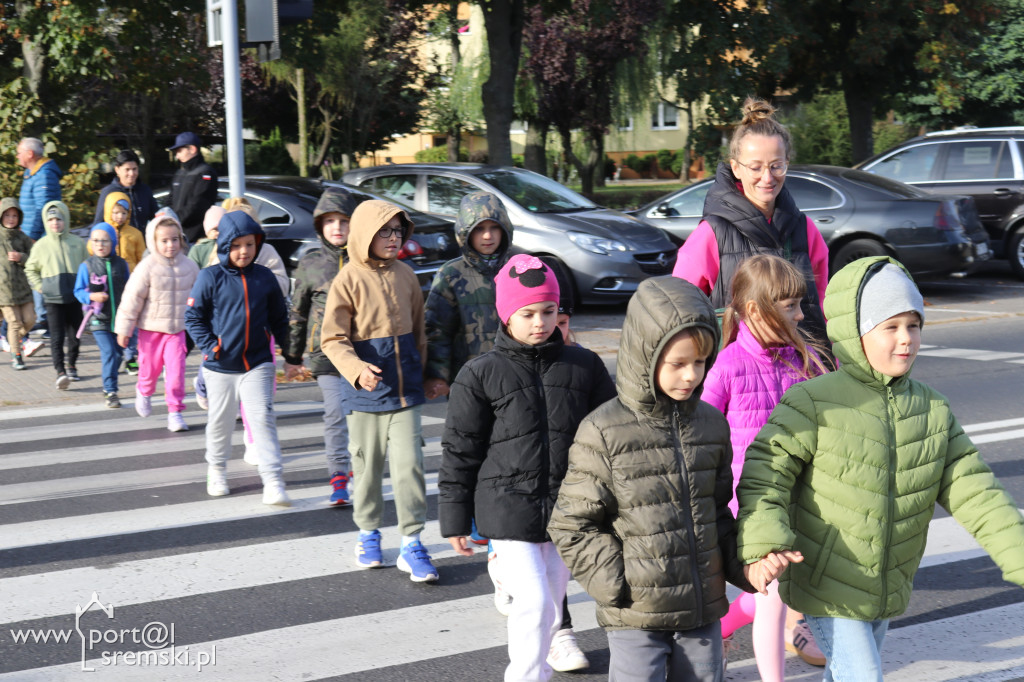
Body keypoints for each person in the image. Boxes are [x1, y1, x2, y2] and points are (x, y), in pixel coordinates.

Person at [736, 256, 1024, 681]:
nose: (905, 339)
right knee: (862, 675)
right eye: (889, 327)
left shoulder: (931, 408)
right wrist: (764, 546)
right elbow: (765, 473)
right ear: (855, 333)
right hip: (827, 583)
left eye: (914, 325)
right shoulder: (813, 401)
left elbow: (977, 492)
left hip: (887, 582)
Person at [548, 275, 764, 682]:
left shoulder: (711, 424)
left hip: (702, 609)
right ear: (645, 356)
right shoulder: (605, 430)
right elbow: (571, 523)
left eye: (699, 362)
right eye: (678, 363)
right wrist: (616, 583)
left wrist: (744, 567)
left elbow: (718, 512)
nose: (690, 376)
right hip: (637, 615)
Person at [440, 254, 615, 681]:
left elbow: (611, 435)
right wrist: (455, 518)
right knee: (535, 604)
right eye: (528, 313)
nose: (540, 322)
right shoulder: (480, 373)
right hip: (506, 505)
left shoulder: (584, 366)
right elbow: (461, 448)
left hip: (566, 507)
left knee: (553, 608)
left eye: (549, 311)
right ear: (506, 315)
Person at [700, 255, 829, 677]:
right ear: (755, 311)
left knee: (778, 589)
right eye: (790, 306)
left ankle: (725, 622)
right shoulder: (729, 365)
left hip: (798, 495)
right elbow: (701, 431)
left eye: (799, 303)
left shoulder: (803, 359)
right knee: (775, 597)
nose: (801, 313)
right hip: (753, 504)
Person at [320, 199, 437, 582]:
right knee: (366, 469)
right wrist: (355, 370)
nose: (393, 238)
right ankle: (368, 533)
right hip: (365, 395)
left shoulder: (407, 275)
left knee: (410, 468)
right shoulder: (347, 279)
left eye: (398, 231)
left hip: (407, 393)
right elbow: (332, 339)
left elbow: (421, 333)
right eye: (384, 231)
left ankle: (411, 542)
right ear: (365, 234)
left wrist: (431, 375)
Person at [672, 97, 829, 346]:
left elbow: (821, 306)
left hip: (802, 369)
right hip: (737, 378)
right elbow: (679, 309)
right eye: (755, 167)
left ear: (787, 163)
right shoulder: (711, 234)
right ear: (736, 167)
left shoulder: (805, 230)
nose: (767, 178)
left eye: (776, 166)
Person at [185, 211, 291, 506]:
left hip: (257, 363)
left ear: (258, 244)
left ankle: (273, 481)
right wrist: (210, 347)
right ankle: (217, 469)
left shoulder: (265, 277)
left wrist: (292, 355)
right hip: (219, 366)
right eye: (236, 245)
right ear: (224, 245)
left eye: (250, 244)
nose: (244, 251)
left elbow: (280, 319)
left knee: (262, 419)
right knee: (220, 422)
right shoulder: (210, 277)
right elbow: (193, 317)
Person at [282, 188, 362, 504]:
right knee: (336, 411)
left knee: (360, 415)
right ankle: (339, 475)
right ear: (319, 225)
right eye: (329, 221)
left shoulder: (366, 260)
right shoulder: (312, 263)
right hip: (326, 354)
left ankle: (360, 468)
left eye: (343, 221)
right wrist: (291, 356)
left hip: (363, 352)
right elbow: (298, 312)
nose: (337, 227)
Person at [422, 190, 513, 401]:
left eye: (494, 228)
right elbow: (437, 330)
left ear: (505, 229)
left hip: (514, 376)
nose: (488, 235)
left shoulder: (516, 267)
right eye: (479, 228)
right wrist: (438, 376)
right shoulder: (452, 274)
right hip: (467, 380)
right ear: (465, 232)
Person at [115, 214, 199, 432]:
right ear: (154, 242)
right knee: (149, 371)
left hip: (177, 331)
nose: (170, 245)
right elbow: (131, 298)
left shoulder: (190, 267)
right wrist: (124, 329)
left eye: (174, 239)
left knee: (176, 374)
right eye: (164, 241)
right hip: (150, 331)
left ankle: (175, 412)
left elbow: (202, 298)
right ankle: (144, 391)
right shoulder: (146, 267)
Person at [24, 201, 87, 390]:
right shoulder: (41, 246)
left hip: (74, 299)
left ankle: (72, 365)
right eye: (50, 220)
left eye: (58, 219)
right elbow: (30, 269)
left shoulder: (77, 243)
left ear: (65, 220)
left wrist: (85, 290)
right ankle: (60, 372)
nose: (55, 223)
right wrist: (41, 287)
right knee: (57, 338)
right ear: (46, 222)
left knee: (75, 336)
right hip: (53, 300)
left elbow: (87, 268)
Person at [74, 224, 129, 408]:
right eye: (95, 240)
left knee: (119, 354)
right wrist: (91, 296)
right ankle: (110, 390)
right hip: (98, 318)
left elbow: (130, 289)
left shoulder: (121, 264)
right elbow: (78, 291)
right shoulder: (87, 266)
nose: (100, 244)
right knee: (110, 353)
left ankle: (110, 384)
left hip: (119, 319)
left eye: (105, 240)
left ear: (113, 242)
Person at [16, 137, 62, 334]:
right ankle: (40, 317)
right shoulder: (32, 173)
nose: (17, 156)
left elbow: (42, 209)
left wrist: (32, 235)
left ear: (30, 154)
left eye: (19, 152)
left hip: (40, 236)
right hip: (27, 233)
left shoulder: (45, 175)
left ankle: (45, 320)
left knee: (39, 274)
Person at [0, 197, 43, 369]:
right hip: (4, 291)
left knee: (30, 319)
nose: (11, 219)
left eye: (14, 216)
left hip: (24, 290)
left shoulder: (23, 238)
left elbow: (35, 260)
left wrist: (21, 257)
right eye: (7, 215)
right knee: (15, 323)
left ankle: (14, 340)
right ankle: (16, 356)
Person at [166, 132, 218, 245]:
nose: (177, 156)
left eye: (179, 151)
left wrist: (174, 220)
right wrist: (169, 219)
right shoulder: (179, 173)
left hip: (196, 239)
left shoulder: (205, 173)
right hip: (177, 236)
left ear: (192, 149)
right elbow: (170, 200)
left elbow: (198, 205)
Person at [93, 150, 158, 231]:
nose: (131, 173)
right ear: (117, 170)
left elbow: (156, 218)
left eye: (134, 169)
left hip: (141, 242)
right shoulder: (109, 192)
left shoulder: (145, 190)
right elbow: (98, 224)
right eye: (127, 169)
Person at [92, 192, 146, 271]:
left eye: (124, 213)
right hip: (107, 276)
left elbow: (142, 258)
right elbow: (90, 252)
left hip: (131, 277)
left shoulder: (136, 234)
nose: (120, 216)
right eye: (116, 213)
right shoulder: (101, 232)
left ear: (129, 213)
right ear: (108, 212)